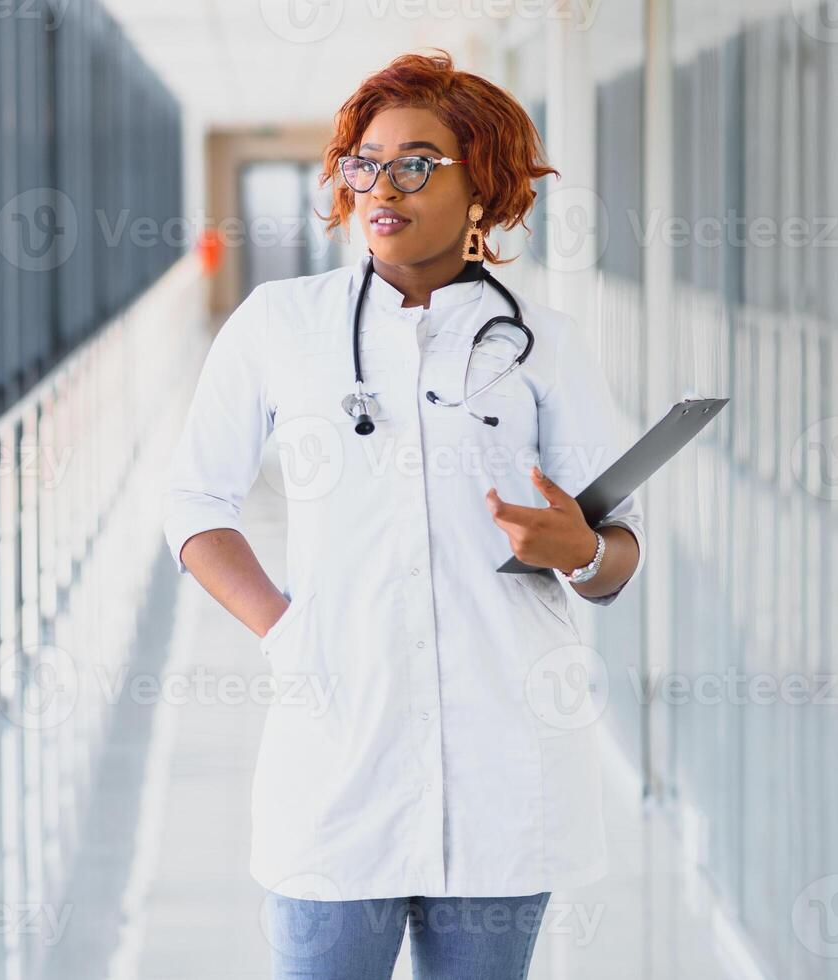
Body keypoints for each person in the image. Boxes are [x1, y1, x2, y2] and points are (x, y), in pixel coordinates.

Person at [160, 51, 646, 980]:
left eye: (416, 162)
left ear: (483, 189)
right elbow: (192, 500)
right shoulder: (280, 324)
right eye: (364, 162)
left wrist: (583, 550)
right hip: (337, 752)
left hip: (506, 760)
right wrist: (284, 631)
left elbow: (621, 553)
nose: (383, 185)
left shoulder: (547, 345)